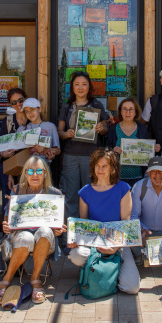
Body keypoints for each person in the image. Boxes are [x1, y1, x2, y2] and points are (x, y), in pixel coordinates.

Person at [0, 156, 66, 305]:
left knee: (45, 231)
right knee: (26, 237)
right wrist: (6, 226)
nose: (35, 175)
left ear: (45, 173)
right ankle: (7, 279)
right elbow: (8, 219)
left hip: (45, 239)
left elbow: (59, 225)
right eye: (31, 171)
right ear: (25, 173)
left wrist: (59, 230)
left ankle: (35, 279)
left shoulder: (55, 194)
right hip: (21, 236)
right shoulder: (17, 190)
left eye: (39, 170)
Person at [67, 149, 140, 294]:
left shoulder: (123, 189)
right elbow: (84, 223)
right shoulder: (85, 192)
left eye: (105, 166)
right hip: (94, 243)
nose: (100, 169)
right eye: (97, 166)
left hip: (118, 242)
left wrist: (114, 247)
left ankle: (110, 270)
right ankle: (95, 269)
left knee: (132, 288)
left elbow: (125, 222)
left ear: (112, 168)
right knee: (76, 255)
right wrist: (76, 239)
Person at [57, 71, 109, 218]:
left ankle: (91, 230)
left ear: (89, 87)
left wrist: (101, 128)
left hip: (92, 156)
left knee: (92, 193)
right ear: (72, 87)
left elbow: (106, 129)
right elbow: (59, 131)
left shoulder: (96, 104)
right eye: (77, 84)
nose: (80, 88)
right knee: (71, 195)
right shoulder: (67, 107)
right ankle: (70, 233)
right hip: (70, 156)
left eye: (84, 84)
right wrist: (66, 134)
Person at [107, 97, 152, 186]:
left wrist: (152, 148)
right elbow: (106, 151)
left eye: (131, 109)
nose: (128, 112)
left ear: (135, 112)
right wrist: (113, 151)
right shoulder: (113, 129)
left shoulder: (142, 129)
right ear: (120, 111)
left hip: (138, 178)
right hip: (118, 178)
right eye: (125, 109)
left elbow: (147, 152)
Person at [0, 88, 28, 208]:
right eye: (13, 102)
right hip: (9, 167)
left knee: (27, 203)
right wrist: (4, 153)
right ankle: (6, 226)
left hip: (28, 167)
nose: (18, 104)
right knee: (9, 203)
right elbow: (0, 149)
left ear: (25, 99)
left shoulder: (34, 118)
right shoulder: (7, 121)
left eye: (20, 100)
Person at [18, 98, 61, 163]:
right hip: (26, 167)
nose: (30, 113)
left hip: (44, 166)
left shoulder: (50, 126)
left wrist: (47, 151)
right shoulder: (22, 129)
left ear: (40, 109)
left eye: (32, 109)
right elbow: (15, 147)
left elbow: (58, 150)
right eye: (26, 111)